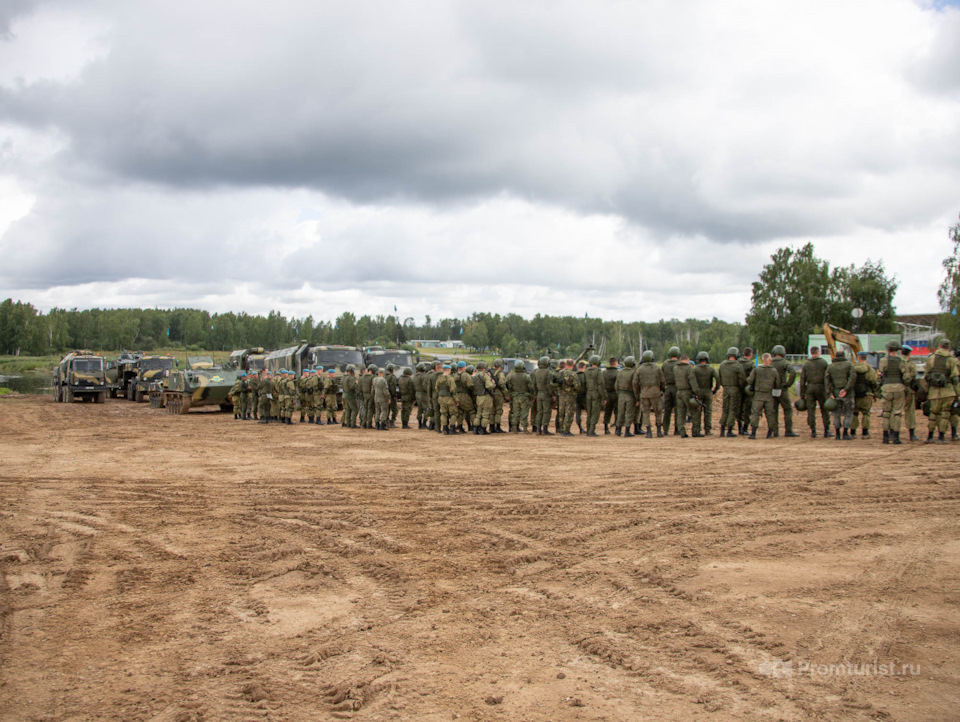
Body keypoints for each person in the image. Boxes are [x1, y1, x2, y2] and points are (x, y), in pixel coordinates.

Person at [923, 338, 960, 444]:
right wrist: (957, 393)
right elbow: (955, 378)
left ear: (939, 346)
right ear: (949, 348)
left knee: (933, 413)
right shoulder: (951, 359)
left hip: (934, 392)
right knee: (945, 414)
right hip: (948, 391)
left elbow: (927, 376)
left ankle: (930, 436)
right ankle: (941, 437)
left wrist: (927, 391)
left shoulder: (931, 358)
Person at [747, 353, 781, 438]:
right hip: (769, 395)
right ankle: (770, 433)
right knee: (770, 414)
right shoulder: (774, 371)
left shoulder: (757, 369)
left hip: (758, 395)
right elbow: (777, 384)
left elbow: (750, 380)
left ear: (762, 359)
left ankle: (753, 433)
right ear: (770, 360)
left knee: (755, 413)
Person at [799, 347, 830, 438]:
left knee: (811, 410)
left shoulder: (806, 363)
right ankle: (826, 430)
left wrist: (802, 393)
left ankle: (813, 431)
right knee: (824, 409)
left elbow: (802, 379)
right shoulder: (823, 362)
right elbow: (827, 377)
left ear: (811, 352)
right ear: (818, 352)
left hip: (810, 388)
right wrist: (828, 391)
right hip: (821, 388)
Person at [633, 350, 665, 437]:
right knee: (658, 412)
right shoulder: (657, 368)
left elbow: (635, 383)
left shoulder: (639, 369)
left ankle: (649, 432)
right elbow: (662, 381)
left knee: (646, 413)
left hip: (644, 393)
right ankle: (658, 431)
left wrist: (638, 394)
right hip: (656, 393)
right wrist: (662, 390)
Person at [825, 350, 855, 440]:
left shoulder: (830, 367)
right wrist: (846, 389)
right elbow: (852, 377)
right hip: (847, 393)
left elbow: (827, 380)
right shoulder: (849, 365)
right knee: (848, 412)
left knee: (836, 413)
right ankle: (845, 433)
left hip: (835, 392)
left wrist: (830, 392)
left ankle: (837, 434)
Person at [718, 347, 746, 437]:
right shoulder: (738, 365)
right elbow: (742, 379)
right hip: (735, 389)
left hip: (726, 389)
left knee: (725, 409)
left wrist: (724, 385)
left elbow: (720, 378)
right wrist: (741, 389)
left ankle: (722, 429)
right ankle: (729, 429)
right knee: (733, 409)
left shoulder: (722, 365)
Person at [770, 345, 798, 437]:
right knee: (788, 409)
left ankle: (775, 431)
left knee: (774, 410)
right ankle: (788, 430)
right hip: (782, 389)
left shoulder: (770, 362)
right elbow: (793, 372)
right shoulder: (784, 362)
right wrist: (788, 384)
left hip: (772, 389)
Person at [849, 351, 878, 438]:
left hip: (854, 395)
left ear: (858, 358)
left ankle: (853, 433)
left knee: (854, 414)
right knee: (866, 414)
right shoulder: (870, 370)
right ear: (866, 358)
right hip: (867, 394)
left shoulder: (852, 369)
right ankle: (865, 433)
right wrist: (874, 394)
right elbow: (874, 382)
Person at [691, 351, 719, 436]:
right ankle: (707, 430)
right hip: (708, 391)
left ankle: (696, 429)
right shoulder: (711, 369)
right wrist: (715, 389)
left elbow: (691, 380)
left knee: (697, 411)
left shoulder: (694, 369)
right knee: (708, 411)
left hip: (698, 392)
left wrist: (694, 391)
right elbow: (718, 379)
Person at [674, 353, 700, 438]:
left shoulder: (675, 367)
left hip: (678, 392)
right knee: (694, 412)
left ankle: (682, 432)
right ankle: (695, 431)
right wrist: (696, 393)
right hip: (687, 392)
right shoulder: (689, 368)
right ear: (688, 360)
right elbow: (692, 381)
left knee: (680, 412)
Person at [555, 359, 580, 437]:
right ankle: (566, 430)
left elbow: (555, 383)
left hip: (561, 396)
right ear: (572, 365)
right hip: (570, 396)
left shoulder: (559, 373)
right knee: (569, 413)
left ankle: (561, 428)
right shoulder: (573, 374)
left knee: (561, 412)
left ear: (566, 364)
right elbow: (577, 386)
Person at [506, 359, 532, 432]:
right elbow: (531, 387)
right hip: (524, 396)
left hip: (515, 397)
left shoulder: (511, 376)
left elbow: (509, 387)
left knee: (515, 413)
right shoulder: (526, 376)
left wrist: (511, 394)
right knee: (524, 413)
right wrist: (531, 395)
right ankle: (525, 428)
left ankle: (514, 428)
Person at [583, 355, 606, 437]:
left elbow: (584, 383)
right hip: (596, 393)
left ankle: (588, 429)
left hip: (588, 393)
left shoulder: (586, 371)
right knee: (595, 412)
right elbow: (600, 385)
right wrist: (604, 396)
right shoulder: (598, 371)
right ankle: (591, 430)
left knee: (589, 412)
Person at [532, 356, 555, 435]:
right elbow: (549, 385)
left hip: (539, 394)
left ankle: (538, 429)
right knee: (546, 411)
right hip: (546, 394)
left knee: (539, 412)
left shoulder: (536, 372)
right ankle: (545, 429)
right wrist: (552, 394)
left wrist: (535, 394)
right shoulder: (549, 372)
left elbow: (534, 384)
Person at [615, 356, 637, 437]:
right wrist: (637, 398)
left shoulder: (620, 372)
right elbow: (635, 386)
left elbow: (616, 385)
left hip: (621, 395)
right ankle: (627, 431)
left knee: (620, 412)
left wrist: (619, 394)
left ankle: (618, 430)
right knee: (629, 413)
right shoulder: (633, 372)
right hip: (630, 395)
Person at [661, 347, 681, 436]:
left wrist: (663, 389)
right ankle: (677, 429)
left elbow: (661, 377)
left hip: (667, 388)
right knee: (678, 409)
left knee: (667, 410)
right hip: (677, 388)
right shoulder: (679, 364)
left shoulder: (665, 364)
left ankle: (665, 429)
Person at [473, 362, 496, 434]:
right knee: (485, 414)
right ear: (483, 369)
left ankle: (475, 429)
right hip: (485, 397)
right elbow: (489, 386)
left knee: (478, 413)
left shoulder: (475, 376)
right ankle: (483, 429)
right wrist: (493, 383)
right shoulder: (485, 375)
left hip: (478, 396)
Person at [436, 364, 459, 434]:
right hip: (449, 398)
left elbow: (436, 389)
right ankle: (452, 428)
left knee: (443, 413)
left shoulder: (439, 378)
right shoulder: (450, 379)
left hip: (441, 398)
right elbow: (453, 390)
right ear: (449, 370)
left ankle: (445, 428)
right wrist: (457, 400)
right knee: (454, 414)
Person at [737, 347, 755, 434]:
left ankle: (739, 427)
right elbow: (754, 376)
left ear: (743, 354)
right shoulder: (751, 364)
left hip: (738, 388)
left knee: (739, 408)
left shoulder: (737, 363)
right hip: (748, 389)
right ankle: (745, 428)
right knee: (748, 409)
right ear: (751, 355)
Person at [602, 357, 619, 434]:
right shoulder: (617, 372)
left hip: (607, 393)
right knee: (617, 411)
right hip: (615, 394)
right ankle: (618, 429)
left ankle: (606, 428)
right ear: (615, 363)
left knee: (607, 411)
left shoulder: (604, 372)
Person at [490, 359, 508, 433]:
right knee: (498, 410)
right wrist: (506, 394)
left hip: (490, 393)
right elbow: (502, 384)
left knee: (492, 411)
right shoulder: (500, 373)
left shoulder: (489, 372)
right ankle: (497, 427)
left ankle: (491, 427)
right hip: (498, 393)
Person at [359, 364, 376, 429]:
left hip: (364, 395)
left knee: (365, 409)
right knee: (370, 410)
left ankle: (363, 424)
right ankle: (369, 424)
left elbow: (359, 388)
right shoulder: (373, 377)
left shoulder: (361, 377)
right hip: (371, 395)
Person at [413, 363, 429, 429]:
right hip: (424, 394)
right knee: (426, 409)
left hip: (417, 393)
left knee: (419, 409)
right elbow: (425, 386)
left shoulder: (415, 376)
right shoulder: (423, 376)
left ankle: (419, 423)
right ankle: (424, 423)